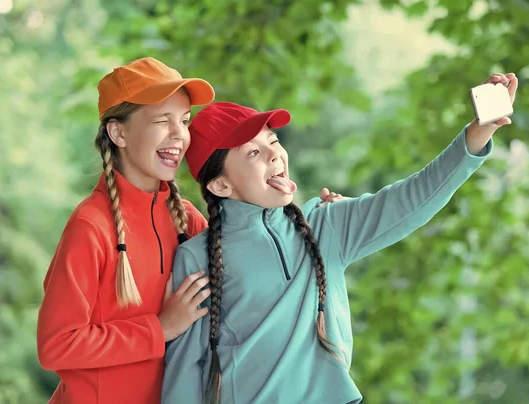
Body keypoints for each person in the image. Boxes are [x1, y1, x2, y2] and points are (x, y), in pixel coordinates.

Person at [161, 73, 518, 404]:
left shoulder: (326, 224)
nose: (274, 154)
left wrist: (476, 135)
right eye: (253, 153)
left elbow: (411, 198)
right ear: (221, 185)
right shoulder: (196, 257)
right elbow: (184, 369)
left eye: (272, 141)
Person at [36, 56, 347, 404]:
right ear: (118, 132)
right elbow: (56, 346)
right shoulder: (91, 227)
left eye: (184, 121)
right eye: (161, 121)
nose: (179, 136)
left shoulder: (187, 220)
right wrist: (161, 328)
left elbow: (256, 269)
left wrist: (322, 220)